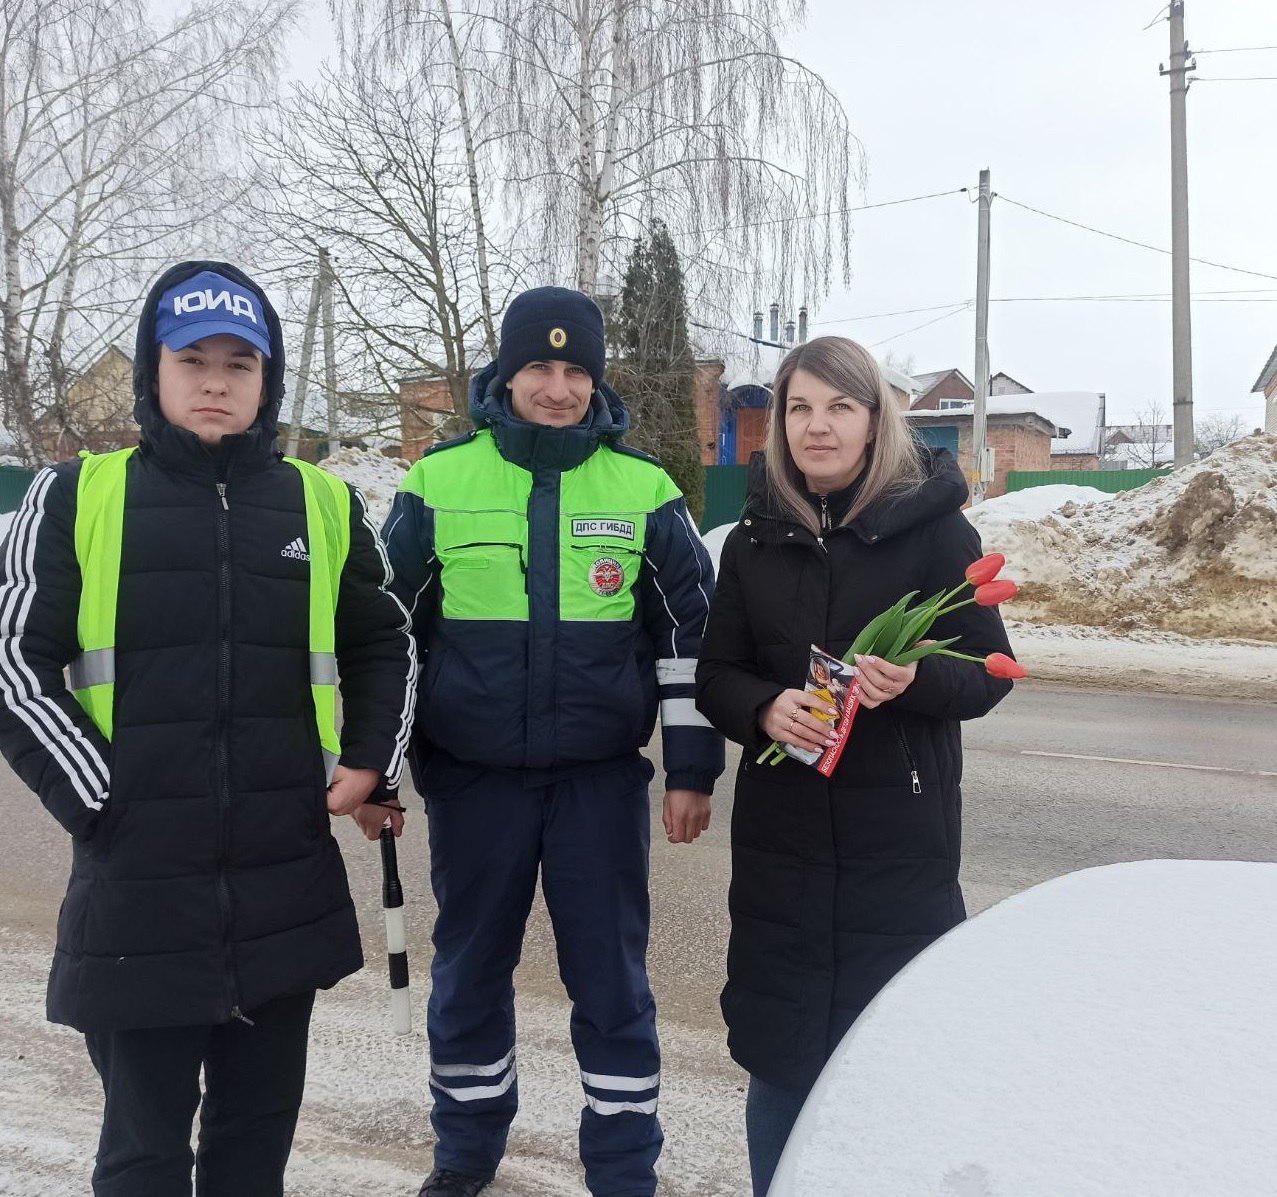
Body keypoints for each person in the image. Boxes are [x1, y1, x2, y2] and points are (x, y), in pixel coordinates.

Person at [0, 261, 416, 1196]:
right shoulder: (76, 496)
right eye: (193, 360)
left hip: (282, 881)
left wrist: (369, 761)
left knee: (253, 1147)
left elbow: (383, 640)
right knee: (142, 1154)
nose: (216, 382)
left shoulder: (322, 502)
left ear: (269, 379)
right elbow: (11, 659)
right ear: (154, 371)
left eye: (240, 363)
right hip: (138, 887)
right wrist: (98, 795)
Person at [366, 285, 724, 1197]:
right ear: (506, 372)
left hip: (597, 787)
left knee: (611, 983)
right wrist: (378, 768)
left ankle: (622, 1167)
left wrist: (689, 769)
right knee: (468, 973)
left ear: (596, 380)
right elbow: (387, 636)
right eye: (538, 366)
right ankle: (465, 1151)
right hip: (473, 784)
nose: (557, 387)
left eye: (575, 370)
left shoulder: (645, 489)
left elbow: (689, 637)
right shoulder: (438, 482)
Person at [694, 336, 1018, 1196]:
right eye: (799, 407)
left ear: (875, 420)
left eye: (839, 406)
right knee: (783, 1059)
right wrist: (763, 708)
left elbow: (988, 674)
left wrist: (913, 680)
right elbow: (715, 673)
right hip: (782, 850)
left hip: (897, 853)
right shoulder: (753, 537)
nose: (817, 426)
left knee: (890, 1064)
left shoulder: (934, 531)